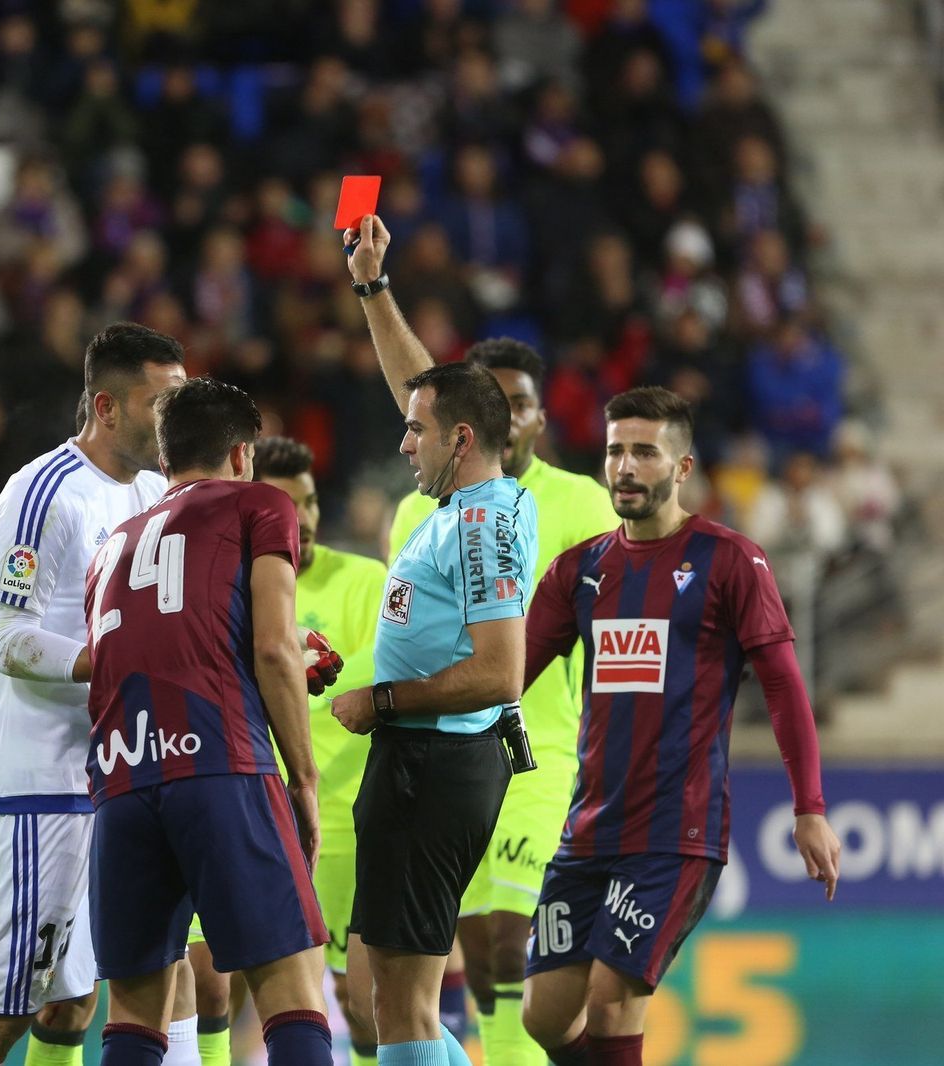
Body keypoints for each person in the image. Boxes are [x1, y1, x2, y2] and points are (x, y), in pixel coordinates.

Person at [518, 387, 841, 1066]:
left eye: (643, 452)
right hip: (588, 829)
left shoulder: (731, 562)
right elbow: (503, 677)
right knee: (545, 1018)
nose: (625, 467)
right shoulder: (580, 571)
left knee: (610, 997)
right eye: (615, 451)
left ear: (682, 467)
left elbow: (783, 687)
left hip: (675, 830)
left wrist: (809, 808)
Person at [0, 324, 187, 1066]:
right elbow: (7, 641)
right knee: (4, 1010)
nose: (173, 420)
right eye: (160, 403)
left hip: (110, 777)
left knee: (73, 1005)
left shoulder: (152, 493)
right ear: (106, 407)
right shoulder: (41, 492)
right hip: (38, 786)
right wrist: (117, 662)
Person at [84, 377, 332, 1066]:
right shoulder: (260, 504)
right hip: (221, 763)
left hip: (122, 781)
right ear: (241, 455)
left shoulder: (112, 546)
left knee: (134, 1013)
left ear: (164, 461)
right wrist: (303, 779)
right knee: (291, 988)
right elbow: (277, 647)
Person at [388, 341, 619, 1066]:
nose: (511, 417)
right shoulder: (416, 513)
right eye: (499, 402)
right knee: (480, 954)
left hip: (542, 753)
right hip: (451, 757)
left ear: (540, 417)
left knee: (515, 941)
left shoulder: (581, 502)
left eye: (522, 402)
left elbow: (614, 626)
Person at [328, 351, 539, 1065]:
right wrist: (371, 291)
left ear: (463, 440)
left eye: (417, 429)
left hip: (433, 762)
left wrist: (382, 700)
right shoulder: (463, 510)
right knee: (383, 995)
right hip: (422, 761)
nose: (403, 443)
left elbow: (499, 672)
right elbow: (442, 392)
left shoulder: (479, 527)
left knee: (401, 1001)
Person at [188, 436, 388, 1066]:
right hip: (244, 808)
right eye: (284, 502)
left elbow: (382, 671)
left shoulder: (364, 582)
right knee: (213, 982)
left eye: (310, 501)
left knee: (365, 1004)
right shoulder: (217, 586)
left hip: (345, 821)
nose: (302, 517)